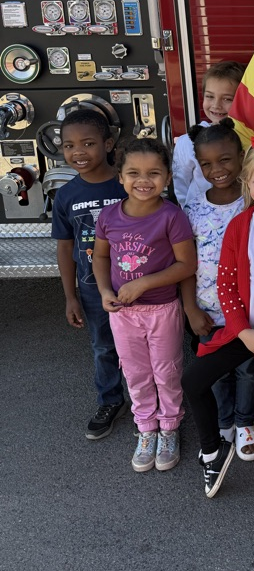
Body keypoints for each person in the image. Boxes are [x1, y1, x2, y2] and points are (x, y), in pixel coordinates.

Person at [181, 138, 254, 501]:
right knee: (193, 381)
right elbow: (227, 283)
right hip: (244, 331)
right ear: (246, 182)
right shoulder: (239, 225)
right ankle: (213, 452)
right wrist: (243, 331)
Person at [92, 138, 197, 473]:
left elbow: (187, 265)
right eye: (134, 173)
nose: (144, 180)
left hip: (161, 310)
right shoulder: (109, 216)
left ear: (167, 177)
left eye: (154, 173)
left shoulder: (172, 216)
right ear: (120, 177)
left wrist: (144, 283)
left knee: (166, 371)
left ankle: (169, 427)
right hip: (123, 314)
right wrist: (105, 290)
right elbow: (100, 257)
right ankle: (146, 427)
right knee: (135, 372)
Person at [182, 120, 254, 461]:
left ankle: (245, 422)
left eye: (225, 159)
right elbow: (185, 265)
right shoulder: (193, 209)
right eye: (207, 164)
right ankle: (225, 419)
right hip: (208, 311)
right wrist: (190, 309)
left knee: (248, 370)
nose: (217, 169)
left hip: (247, 311)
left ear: (242, 157)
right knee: (214, 372)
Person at [52, 108, 127, 440]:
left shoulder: (128, 184)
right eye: (69, 146)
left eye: (87, 143)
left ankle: (152, 405)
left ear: (108, 144)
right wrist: (70, 297)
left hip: (136, 285)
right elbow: (65, 247)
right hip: (92, 290)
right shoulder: (66, 195)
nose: (78, 152)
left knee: (144, 348)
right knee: (103, 347)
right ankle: (110, 400)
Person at [172, 60, 244, 207]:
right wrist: (189, 211)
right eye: (210, 96)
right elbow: (181, 184)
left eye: (227, 99)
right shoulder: (187, 142)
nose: (216, 105)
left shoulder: (248, 138)